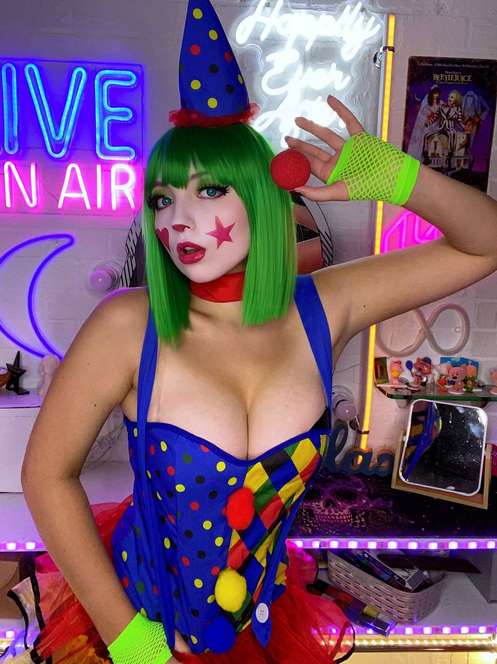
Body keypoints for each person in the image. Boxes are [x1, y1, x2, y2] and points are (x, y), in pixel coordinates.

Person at [7, 1, 497, 663]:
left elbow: (483, 243)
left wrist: (399, 180)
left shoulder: (324, 306)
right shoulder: (129, 324)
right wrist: (131, 642)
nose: (178, 220)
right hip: (138, 628)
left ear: (262, 198)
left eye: (209, 191)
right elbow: (46, 475)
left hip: (263, 629)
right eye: (163, 199)